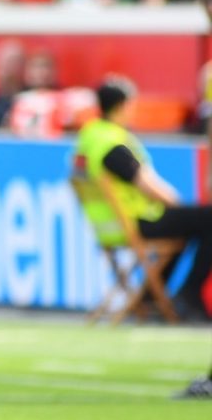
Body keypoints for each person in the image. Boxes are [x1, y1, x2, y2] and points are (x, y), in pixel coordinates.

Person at [76, 77, 212, 319]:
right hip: (135, 220)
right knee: (206, 218)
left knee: (184, 226)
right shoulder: (113, 143)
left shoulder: (90, 136)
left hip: (107, 226)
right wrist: (178, 208)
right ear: (121, 105)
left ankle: (151, 299)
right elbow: (148, 184)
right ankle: (188, 295)